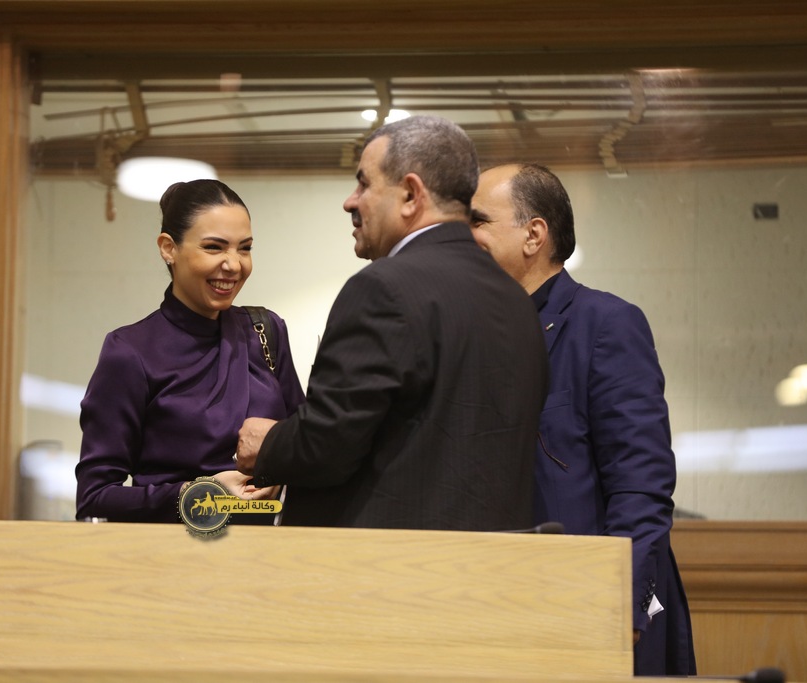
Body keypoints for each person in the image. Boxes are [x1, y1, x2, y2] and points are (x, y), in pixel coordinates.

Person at [234, 115, 548, 531]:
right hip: (488, 560)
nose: (350, 202)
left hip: (387, 562)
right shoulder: (517, 301)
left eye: (364, 184)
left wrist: (268, 445)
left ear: (411, 195)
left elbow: (329, 445)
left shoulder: (383, 288)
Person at [470, 163, 696, 675]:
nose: (464, 236)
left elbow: (641, 483)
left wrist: (621, 604)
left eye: (478, 221)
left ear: (533, 235)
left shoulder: (605, 323)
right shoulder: (475, 335)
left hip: (592, 610)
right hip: (501, 604)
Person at [76, 179, 305, 523]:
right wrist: (198, 494)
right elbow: (94, 499)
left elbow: (306, 449)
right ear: (168, 248)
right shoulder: (130, 352)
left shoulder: (265, 331)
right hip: (175, 552)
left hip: (267, 549)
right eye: (214, 247)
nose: (234, 265)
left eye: (244, 248)